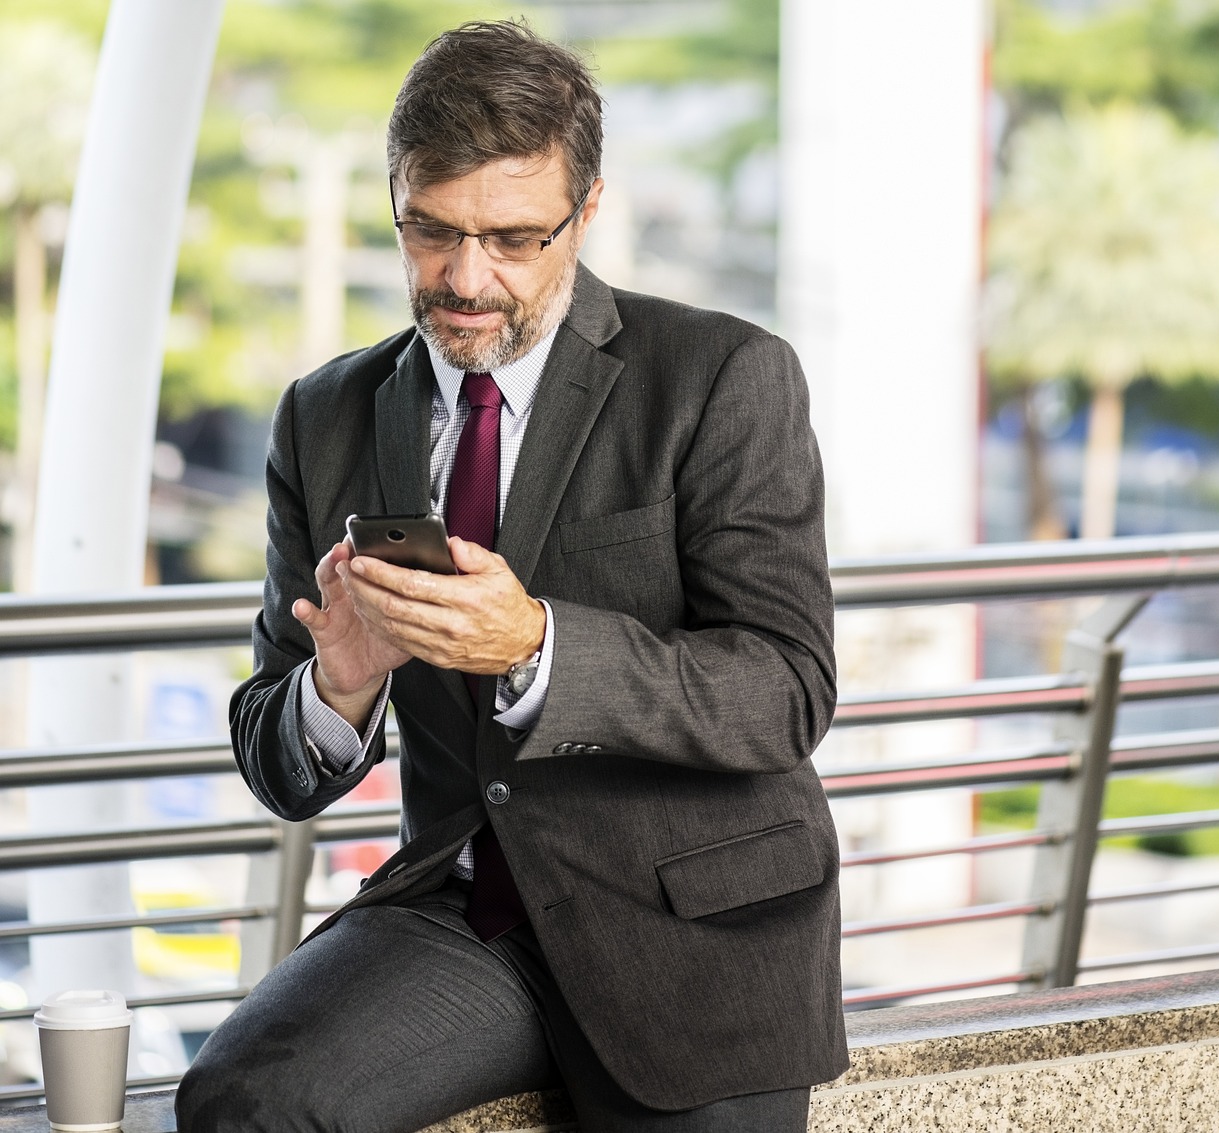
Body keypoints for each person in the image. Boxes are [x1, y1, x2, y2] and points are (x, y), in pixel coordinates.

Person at [176, 18, 845, 1133]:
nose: (463, 278)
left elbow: (784, 692)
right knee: (238, 1103)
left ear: (585, 214)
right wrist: (337, 685)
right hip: (466, 911)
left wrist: (537, 646)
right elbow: (279, 767)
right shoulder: (324, 415)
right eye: (430, 231)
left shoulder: (723, 377)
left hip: (691, 915)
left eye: (513, 238)